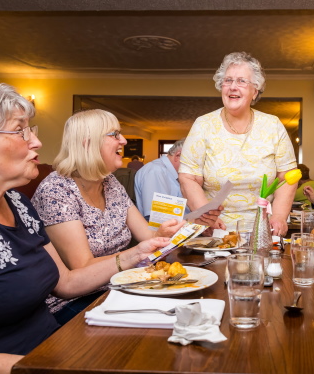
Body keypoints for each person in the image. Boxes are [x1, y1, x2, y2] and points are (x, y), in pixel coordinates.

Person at [0, 75, 172, 373]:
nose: (37, 142)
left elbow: (66, 282)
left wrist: (137, 253)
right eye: (20, 132)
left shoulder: (17, 202)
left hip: (53, 343)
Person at [31, 110, 219, 325]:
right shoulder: (57, 191)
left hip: (120, 287)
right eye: (114, 134)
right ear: (87, 143)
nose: (124, 140)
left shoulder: (109, 182)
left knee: (196, 308)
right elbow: (82, 265)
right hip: (76, 302)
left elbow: (148, 235)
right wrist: (137, 254)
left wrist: (183, 228)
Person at [179, 51, 297, 235]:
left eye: (242, 81)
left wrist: (280, 216)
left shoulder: (272, 125)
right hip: (216, 230)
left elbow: (287, 177)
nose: (233, 87)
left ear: (255, 90)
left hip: (262, 229)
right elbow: (189, 178)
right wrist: (206, 216)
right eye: (228, 81)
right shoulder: (203, 125)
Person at [135, 138, 187, 221]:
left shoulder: (170, 173)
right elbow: (158, 218)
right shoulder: (156, 171)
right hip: (161, 232)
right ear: (178, 156)